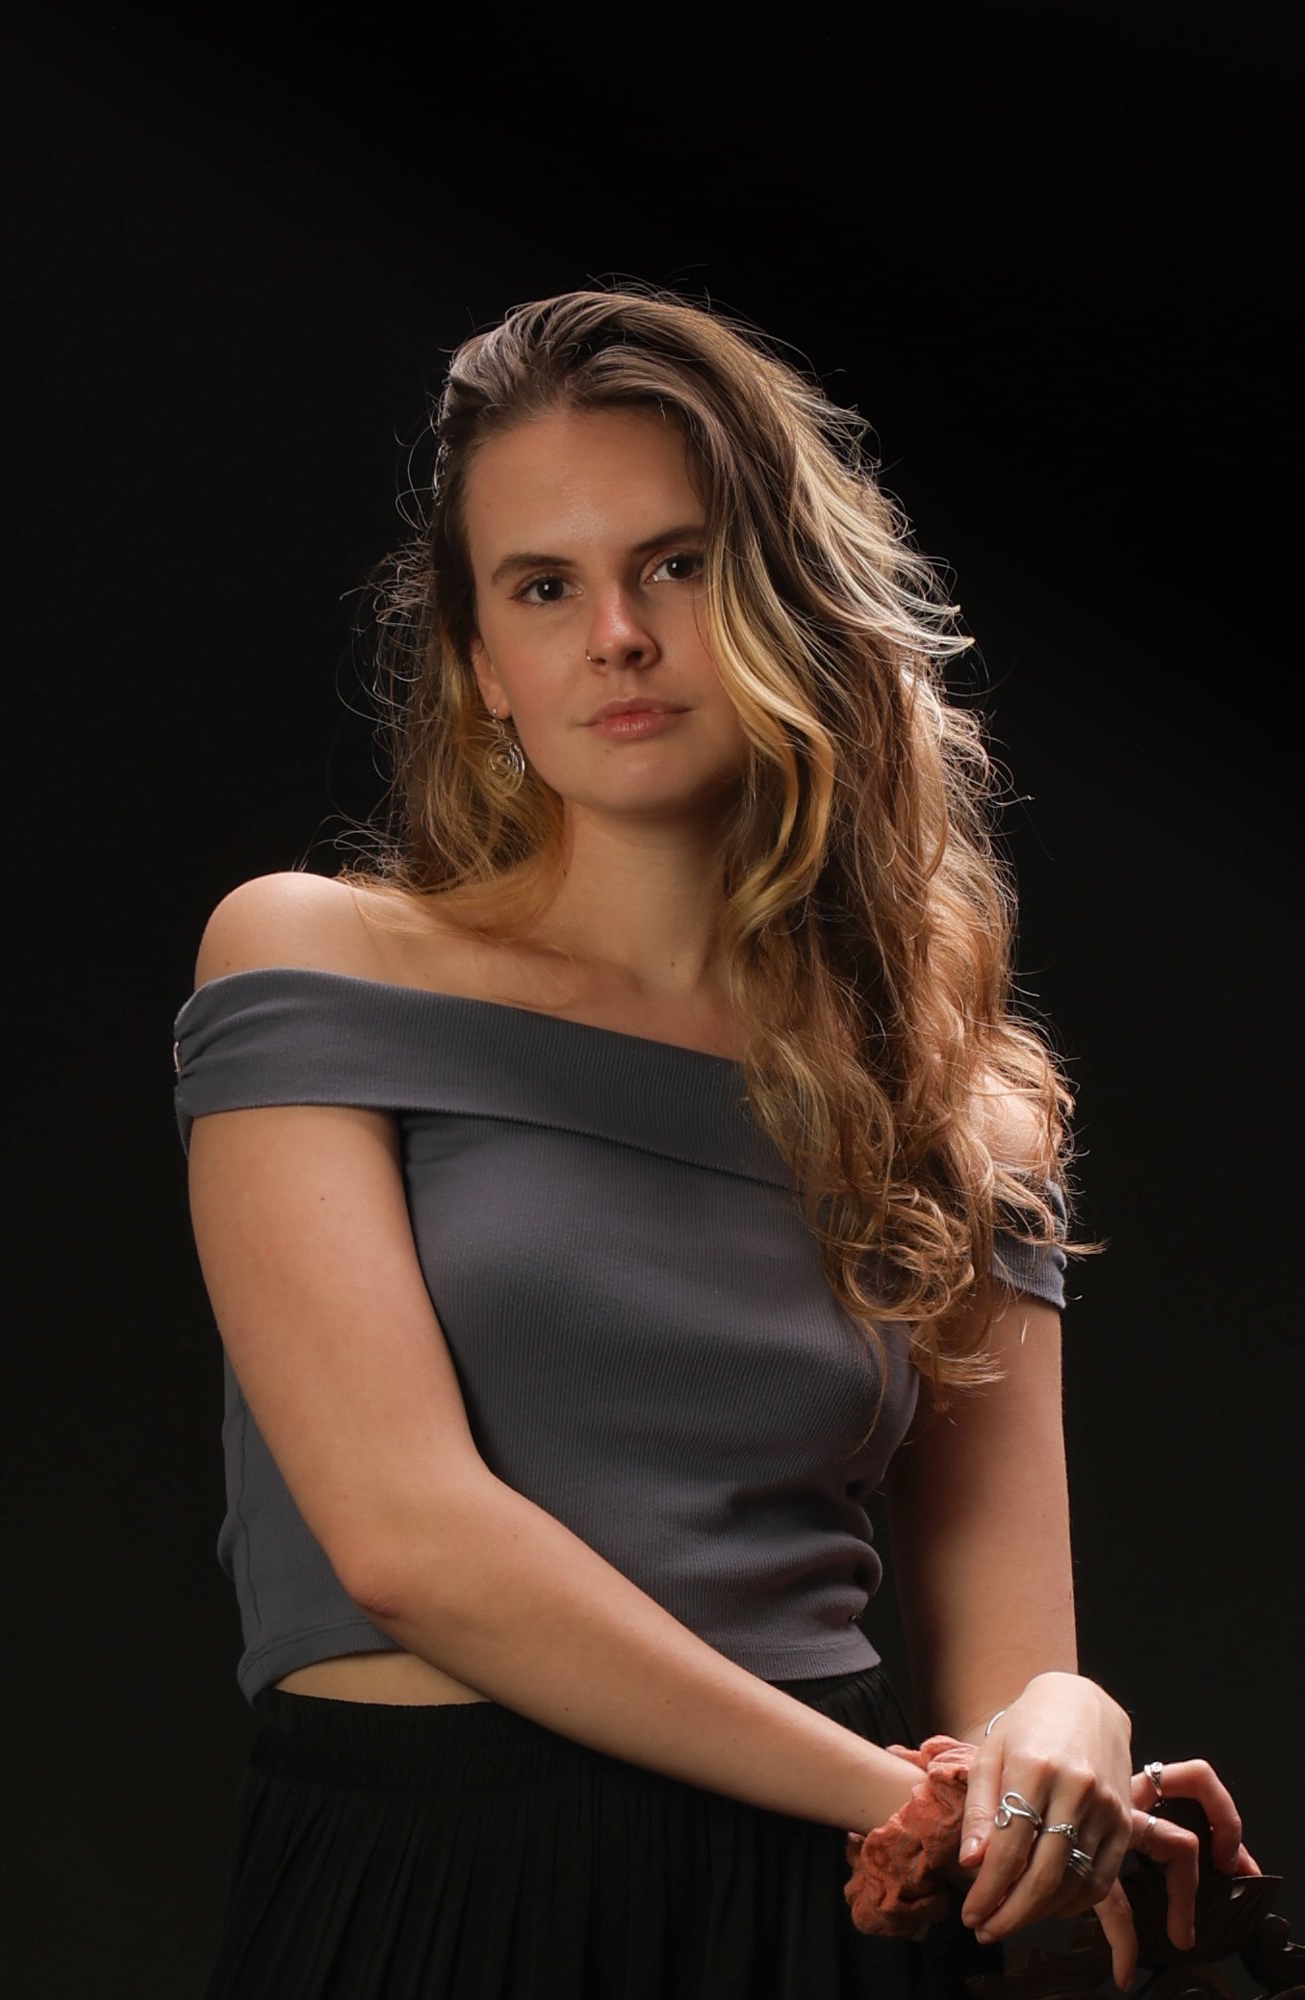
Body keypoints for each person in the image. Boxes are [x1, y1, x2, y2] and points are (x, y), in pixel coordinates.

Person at [174, 288, 1254, 1999]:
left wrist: (1065, 1722)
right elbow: (406, 1541)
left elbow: (1007, 1666)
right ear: (479, 663)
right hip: (446, 1885)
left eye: (675, 564)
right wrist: (906, 1802)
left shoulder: (963, 1104)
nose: (614, 632)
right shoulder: (311, 957)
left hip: (834, 1910)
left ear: (789, 597)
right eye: (544, 586)